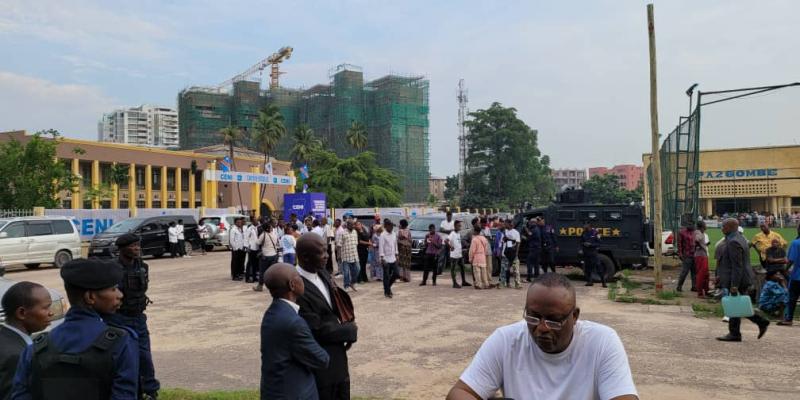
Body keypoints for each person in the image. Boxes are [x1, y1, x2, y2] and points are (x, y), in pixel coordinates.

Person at [446, 273, 638, 400]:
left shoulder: (601, 342)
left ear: (575, 316)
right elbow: (460, 392)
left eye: (554, 320)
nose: (542, 328)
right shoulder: (506, 340)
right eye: (533, 317)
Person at [11, 259, 139, 399]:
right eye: (113, 289)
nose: (120, 295)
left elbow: (20, 395)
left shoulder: (35, 347)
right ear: (90, 297)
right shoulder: (121, 342)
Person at [295, 234, 358, 400]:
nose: (327, 256)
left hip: (338, 358)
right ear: (305, 257)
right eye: (321, 252)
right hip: (319, 363)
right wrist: (348, 331)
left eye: (326, 250)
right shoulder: (295, 286)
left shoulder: (322, 273)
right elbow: (315, 328)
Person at [260, 263, 330, 400]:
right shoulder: (294, 322)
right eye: (299, 277)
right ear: (292, 285)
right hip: (294, 393)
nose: (302, 280)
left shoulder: (272, 313)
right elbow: (322, 359)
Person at [104, 234, 160, 399]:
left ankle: (150, 392)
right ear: (122, 249)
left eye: (138, 245)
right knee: (123, 358)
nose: (137, 248)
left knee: (144, 357)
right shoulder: (111, 268)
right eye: (133, 246)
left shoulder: (143, 266)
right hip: (118, 318)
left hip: (138, 317)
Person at [716, 218, 770, 342]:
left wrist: (734, 285)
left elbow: (737, 266)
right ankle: (737, 332)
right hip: (742, 277)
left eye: (723, 226)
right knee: (738, 304)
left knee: (737, 304)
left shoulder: (733, 242)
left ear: (730, 227)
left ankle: (740, 331)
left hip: (738, 279)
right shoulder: (740, 238)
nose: (722, 228)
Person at [0, 282, 52, 399]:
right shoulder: (17, 356)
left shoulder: (4, 336)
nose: (51, 313)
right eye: (45, 308)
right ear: (22, 313)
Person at [778, 225, 800, 326]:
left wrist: (785, 269)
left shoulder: (796, 243)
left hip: (797, 276)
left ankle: (788, 319)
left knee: (792, 297)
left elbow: (791, 260)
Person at [253, 222, 280, 292]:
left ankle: (260, 286)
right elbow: (277, 243)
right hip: (274, 255)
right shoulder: (274, 235)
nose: (271, 228)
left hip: (265, 256)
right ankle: (274, 286)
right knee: (273, 272)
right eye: (271, 227)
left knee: (262, 272)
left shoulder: (263, 235)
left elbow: (257, 243)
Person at [447, 220, 471, 289]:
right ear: (455, 226)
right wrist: (450, 247)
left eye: (460, 226)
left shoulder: (458, 233)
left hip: (459, 254)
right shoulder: (452, 234)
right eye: (459, 226)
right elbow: (446, 241)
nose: (460, 227)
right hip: (454, 255)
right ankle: (454, 283)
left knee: (462, 267)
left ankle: (463, 281)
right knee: (453, 269)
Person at [380, 220, 400, 298]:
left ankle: (387, 287)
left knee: (396, 274)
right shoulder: (383, 235)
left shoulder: (394, 234)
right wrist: (382, 258)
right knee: (386, 276)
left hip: (393, 257)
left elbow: (395, 245)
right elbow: (381, 247)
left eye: (392, 226)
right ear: (386, 226)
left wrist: (397, 254)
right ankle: (387, 292)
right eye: (390, 226)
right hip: (386, 258)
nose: (391, 227)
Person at [580, 222, 604, 288]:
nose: (584, 226)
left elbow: (599, 243)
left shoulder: (595, 233)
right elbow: (581, 241)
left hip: (593, 253)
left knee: (598, 267)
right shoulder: (583, 233)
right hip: (586, 253)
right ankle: (589, 281)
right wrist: (583, 245)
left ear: (589, 226)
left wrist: (591, 245)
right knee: (587, 268)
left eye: (585, 225)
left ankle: (603, 283)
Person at [339, 221, 360, 292]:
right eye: (350, 225)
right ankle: (346, 285)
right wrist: (339, 255)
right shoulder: (342, 232)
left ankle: (352, 283)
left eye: (353, 225)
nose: (352, 226)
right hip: (346, 256)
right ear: (347, 225)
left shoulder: (355, 232)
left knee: (358, 269)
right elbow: (339, 245)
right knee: (346, 272)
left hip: (354, 255)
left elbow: (356, 244)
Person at [676, 222, 697, 292]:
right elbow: (679, 244)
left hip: (694, 254)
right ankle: (679, 286)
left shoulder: (694, 232)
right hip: (687, 255)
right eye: (690, 224)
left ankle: (694, 286)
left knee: (694, 271)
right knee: (684, 271)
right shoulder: (682, 232)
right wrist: (680, 254)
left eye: (693, 224)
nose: (692, 226)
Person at [502, 220, 522, 289]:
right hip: (506, 253)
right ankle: (507, 283)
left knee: (516, 270)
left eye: (505, 224)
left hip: (513, 253)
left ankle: (518, 284)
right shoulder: (505, 232)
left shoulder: (516, 232)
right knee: (506, 269)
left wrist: (516, 254)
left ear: (510, 224)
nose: (504, 225)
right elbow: (503, 242)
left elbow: (518, 244)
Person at [694, 221, 710, 298]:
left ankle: (706, 291)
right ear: (702, 226)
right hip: (700, 256)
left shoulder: (700, 233)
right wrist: (699, 246)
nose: (706, 227)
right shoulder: (698, 233)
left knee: (706, 274)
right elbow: (697, 240)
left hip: (703, 255)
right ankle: (700, 293)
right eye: (705, 225)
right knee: (701, 274)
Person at [524, 217, 542, 281]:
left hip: (534, 249)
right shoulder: (537, 228)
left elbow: (529, 238)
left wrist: (523, 237)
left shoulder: (533, 229)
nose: (529, 223)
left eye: (530, 222)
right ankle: (537, 277)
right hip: (538, 248)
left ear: (533, 223)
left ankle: (529, 278)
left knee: (529, 262)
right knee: (536, 263)